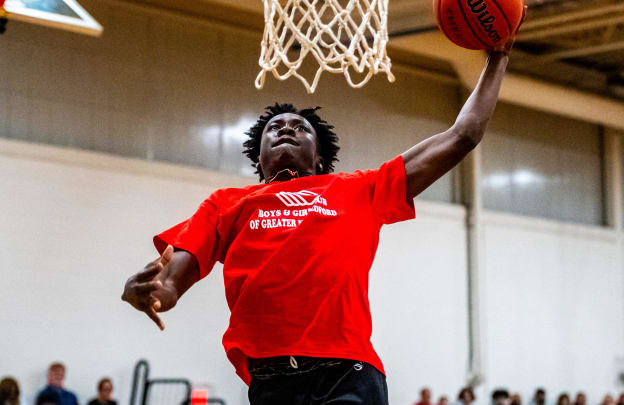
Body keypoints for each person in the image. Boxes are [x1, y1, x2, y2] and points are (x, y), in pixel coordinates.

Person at [120, 12, 526, 405]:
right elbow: (172, 280)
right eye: (274, 128)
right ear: (259, 157)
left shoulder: (360, 189)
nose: (285, 129)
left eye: (300, 127)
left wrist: (499, 56)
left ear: (319, 158)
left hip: (346, 374)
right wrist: (152, 292)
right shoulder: (226, 203)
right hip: (270, 380)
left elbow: (463, 135)